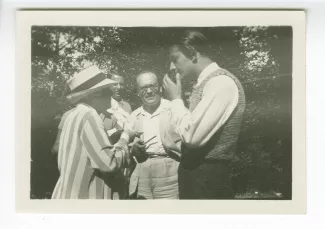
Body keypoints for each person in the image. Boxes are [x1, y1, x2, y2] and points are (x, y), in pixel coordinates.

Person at [163, 30, 246, 199]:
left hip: (208, 180)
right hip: (200, 178)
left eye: (175, 59)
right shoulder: (207, 84)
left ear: (193, 53)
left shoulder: (221, 83)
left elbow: (192, 138)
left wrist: (176, 100)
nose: (172, 67)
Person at [51, 65, 139, 199]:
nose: (111, 97)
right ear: (96, 94)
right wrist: (126, 137)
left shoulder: (73, 115)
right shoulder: (90, 115)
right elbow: (109, 163)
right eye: (108, 92)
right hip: (85, 198)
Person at [126, 70, 181, 199]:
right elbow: (126, 144)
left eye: (152, 86)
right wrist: (132, 149)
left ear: (160, 88)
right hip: (142, 170)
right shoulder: (134, 116)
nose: (149, 91)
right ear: (138, 93)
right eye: (144, 88)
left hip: (169, 168)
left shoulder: (173, 109)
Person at [105, 72, 132, 144]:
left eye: (122, 84)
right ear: (108, 85)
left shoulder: (127, 106)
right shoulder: (103, 106)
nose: (119, 87)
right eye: (115, 84)